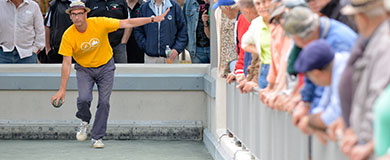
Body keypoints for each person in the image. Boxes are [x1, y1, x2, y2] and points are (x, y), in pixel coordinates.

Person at [50, 1, 168, 148]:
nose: (77, 17)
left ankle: (97, 137)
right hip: (84, 69)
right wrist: (62, 89)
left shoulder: (99, 23)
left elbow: (127, 22)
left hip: (105, 67)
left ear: (86, 14)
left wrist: (152, 19)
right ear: (70, 17)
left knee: (104, 103)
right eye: (73, 14)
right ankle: (84, 121)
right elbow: (66, 63)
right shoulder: (68, 36)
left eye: (80, 13)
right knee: (83, 99)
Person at [339, 0, 390, 158]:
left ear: (362, 17)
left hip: (373, 147)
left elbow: (376, 93)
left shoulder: (384, 44)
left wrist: (366, 141)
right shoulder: (373, 40)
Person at [293, 40, 349, 142]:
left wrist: (309, 121)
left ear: (316, 73)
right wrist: (315, 123)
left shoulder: (343, 72)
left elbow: (334, 113)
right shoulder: (333, 69)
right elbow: (323, 105)